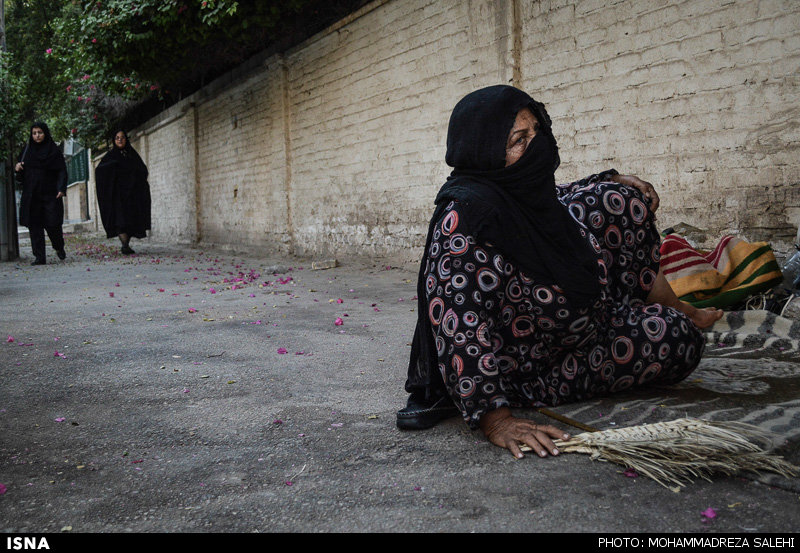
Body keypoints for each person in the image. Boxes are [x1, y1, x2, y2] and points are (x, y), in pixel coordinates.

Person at [397, 85, 723, 459]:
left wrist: (608, 182)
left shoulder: (519, 192)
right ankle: (660, 317)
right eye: (519, 140)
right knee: (678, 339)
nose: (538, 146)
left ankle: (673, 305)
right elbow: (459, 326)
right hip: (533, 363)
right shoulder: (467, 224)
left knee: (618, 202)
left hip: (582, 319)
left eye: (537, 130)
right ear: (483, 154)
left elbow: (555, 196)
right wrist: (496, 419)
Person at [15, 122, 68, 265]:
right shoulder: (26, 151)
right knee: (35, 226)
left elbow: (61, 170)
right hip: (32, 195)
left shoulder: (53, 151)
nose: (37, 136)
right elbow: (20, 177)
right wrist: (18, 168)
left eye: (40, 132)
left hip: (50, 194)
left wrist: (61, 188)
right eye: (34, 133)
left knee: (53, 224)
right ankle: (39, 256)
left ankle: (58, 246)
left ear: (45, 133)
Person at [95, 129, 151, 254]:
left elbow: (142, 170)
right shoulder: (110, 156)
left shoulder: (132, 154)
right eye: (117, 138)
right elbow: (100, 171)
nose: (120, 140)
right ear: (114, 141)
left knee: (131, 220)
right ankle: (124, 245)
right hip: (118, 196)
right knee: (120, 220)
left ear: (126, 139)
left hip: (132, 195)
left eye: (122, 137)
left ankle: (126, 244)